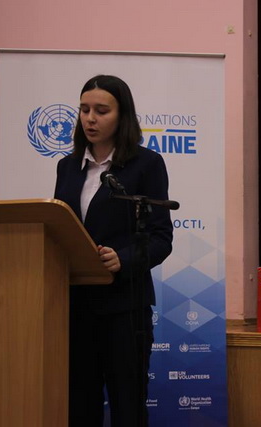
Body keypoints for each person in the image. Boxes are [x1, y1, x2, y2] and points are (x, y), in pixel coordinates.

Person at [54, 75, 174, 426]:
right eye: (84, 110)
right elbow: (61, 228)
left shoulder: (146, 164)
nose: (90, 118)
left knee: (127, 406)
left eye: (101, 111)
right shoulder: (67, 167)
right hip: (75, 307)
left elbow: (160, 237)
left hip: (124, 308)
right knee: (79, 406)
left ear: (122, 116)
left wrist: (123, 258)